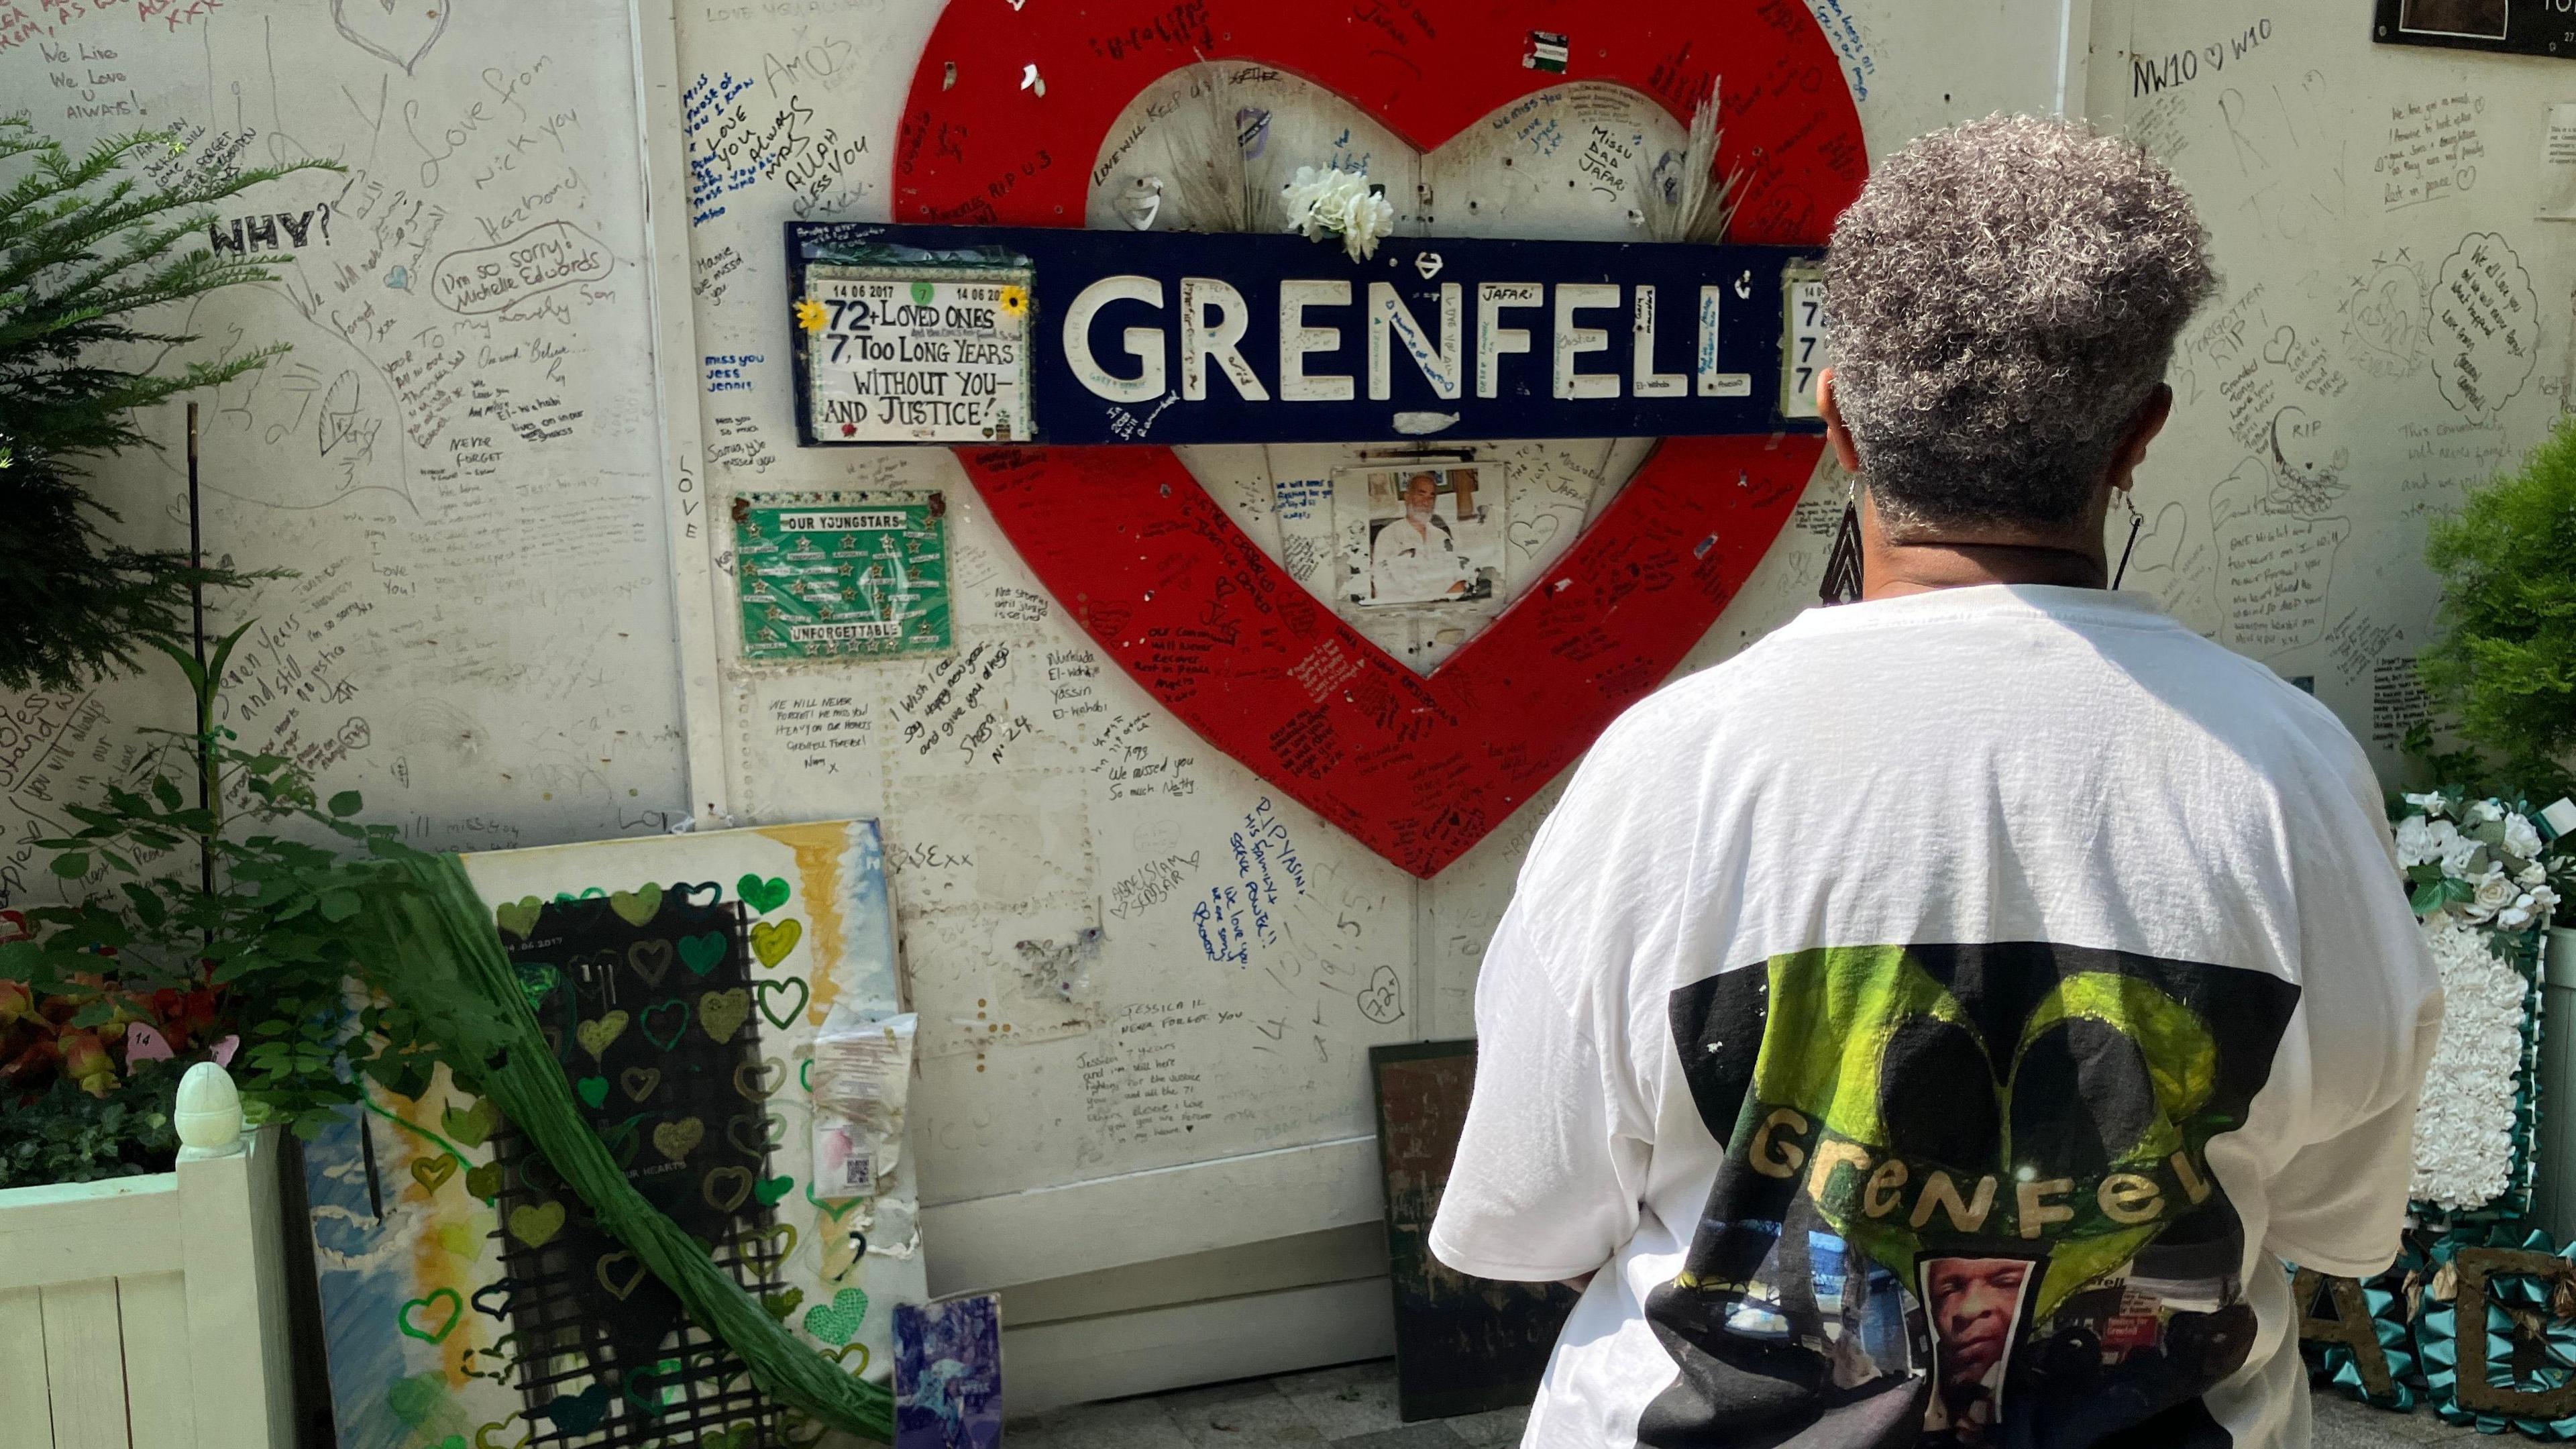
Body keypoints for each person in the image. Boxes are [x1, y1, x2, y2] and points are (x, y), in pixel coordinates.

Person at [1428, 116, 2442, 1449]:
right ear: (2141, 436)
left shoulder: (1675, 771)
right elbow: (2329, 1218)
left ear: (1837, 416)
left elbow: (1530, 1207)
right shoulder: (2290, 776)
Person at [1368, 471, 1470, 602]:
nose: (1426, 502)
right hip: (1405, 611)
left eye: (1431, 497)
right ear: (1407, 497)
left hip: (1445, 609)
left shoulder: (1442, 536)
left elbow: (1460, 579)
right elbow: (1383, 586)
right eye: (1421, 495)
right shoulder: (1388, 536)